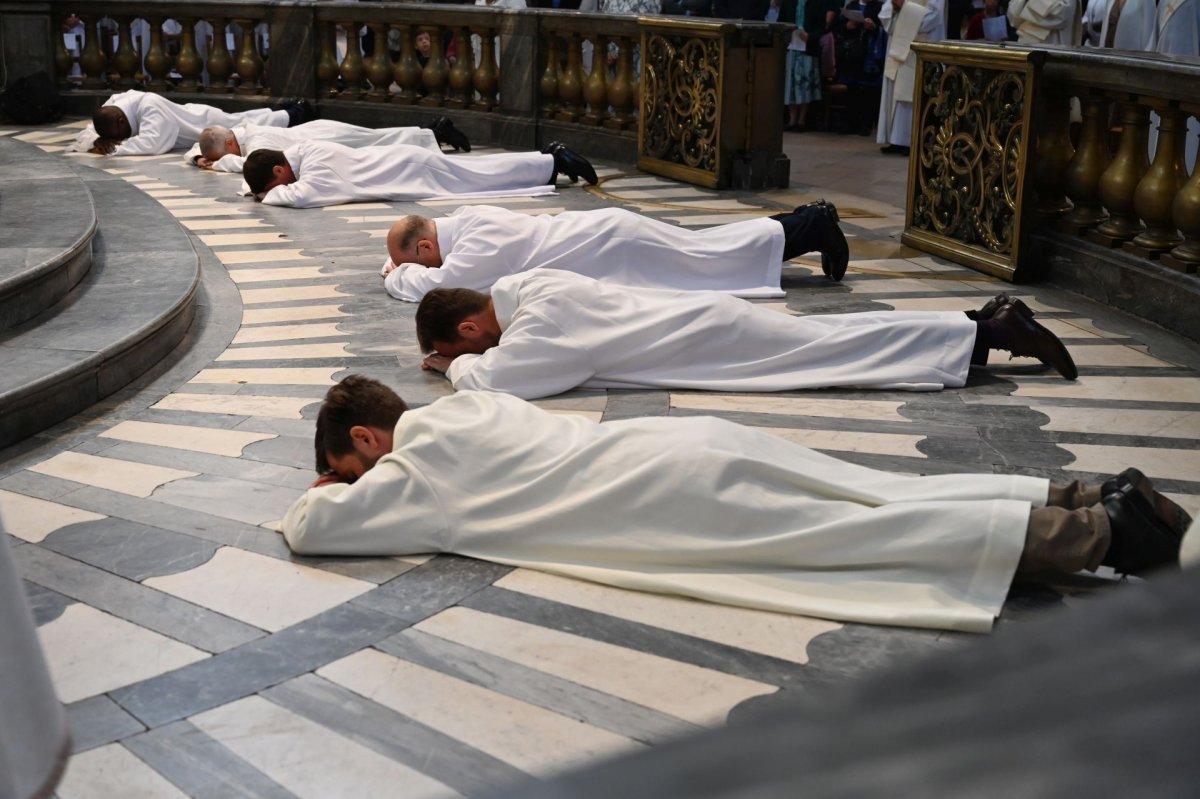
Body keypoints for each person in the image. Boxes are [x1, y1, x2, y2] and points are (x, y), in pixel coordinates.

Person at [280, 375, 1188, 633]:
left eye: (348, 465)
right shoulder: (473, 405)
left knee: (870, 533)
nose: (357, 483)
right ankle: (1079, 490)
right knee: (878, 490)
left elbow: (313, 531)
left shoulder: (413, 472)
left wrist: (326, 491)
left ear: (367, 441)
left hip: (665, 499)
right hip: (678, 444)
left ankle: (1105, 530)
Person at [414, 270, 1079, 399]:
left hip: (714, 340)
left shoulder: (534, 330)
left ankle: (992, 331)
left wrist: (452, 370)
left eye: (458, 344)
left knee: (840, 347)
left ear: (471, 327)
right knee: (840, 337)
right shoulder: (531, 283)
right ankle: (972, 324)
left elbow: (499, 383)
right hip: (708, 320)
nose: (465, 354)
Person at [380, 201, 849, 302]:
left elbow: (439, 286)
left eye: (415, 260)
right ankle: (806, 223)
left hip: (617, 249)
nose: (420, 267)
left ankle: (812, 224)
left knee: (715, 258)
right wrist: (402, 262)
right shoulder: (470, 218)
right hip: (610, 241)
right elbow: (439, 270)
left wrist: (396, 276)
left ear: (426, 245)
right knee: (711, 251)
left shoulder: (476, 244)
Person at [242, 140, 596, 208]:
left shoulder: (316, 170)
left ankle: (553, 159)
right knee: (480, 175)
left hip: (411, 171)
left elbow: (299, 196)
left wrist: (264, 195)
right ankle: (548, 165)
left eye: (275, 181)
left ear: (279, 169)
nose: (280, 186)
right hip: (406, 166)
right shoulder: (305, 152)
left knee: (482, 177)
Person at [66, 89, 310, 156]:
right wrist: (95, 140)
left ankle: (296, 112)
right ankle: (286, 109)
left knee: (243, 123)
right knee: (246, 119)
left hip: (201, 121)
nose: (119, 138)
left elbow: (152, 143)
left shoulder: (149, 104)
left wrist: (114, 148)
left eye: (118, 134)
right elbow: (91, 130)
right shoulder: (114, 103)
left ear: (121, 119)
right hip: (190, 117)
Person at [186, 116, 470, 172]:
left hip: (325, 137)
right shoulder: (234, 134)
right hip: (317, 134)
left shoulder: (257, 139)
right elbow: (201, 147)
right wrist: (198, 158)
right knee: (379, 139)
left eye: (226, 152)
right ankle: (432, 132)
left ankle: (435, 131)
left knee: (379, 141)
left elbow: (248, 163)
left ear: (229, 142)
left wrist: (219, 163)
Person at [877, 0, 945, 156]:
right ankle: (895, 140)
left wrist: (904, 8)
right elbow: (886, 10)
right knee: (895, 90)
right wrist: (894, 8)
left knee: (911, 91)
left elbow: (934, 16)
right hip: (899, 42)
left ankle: (910, 140)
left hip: (920, 43)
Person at [1007, 0, 1082, 45]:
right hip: (1026, 42)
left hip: (1053, 45)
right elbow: (1013, 16)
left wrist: (1030, 4)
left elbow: (1062, 14)